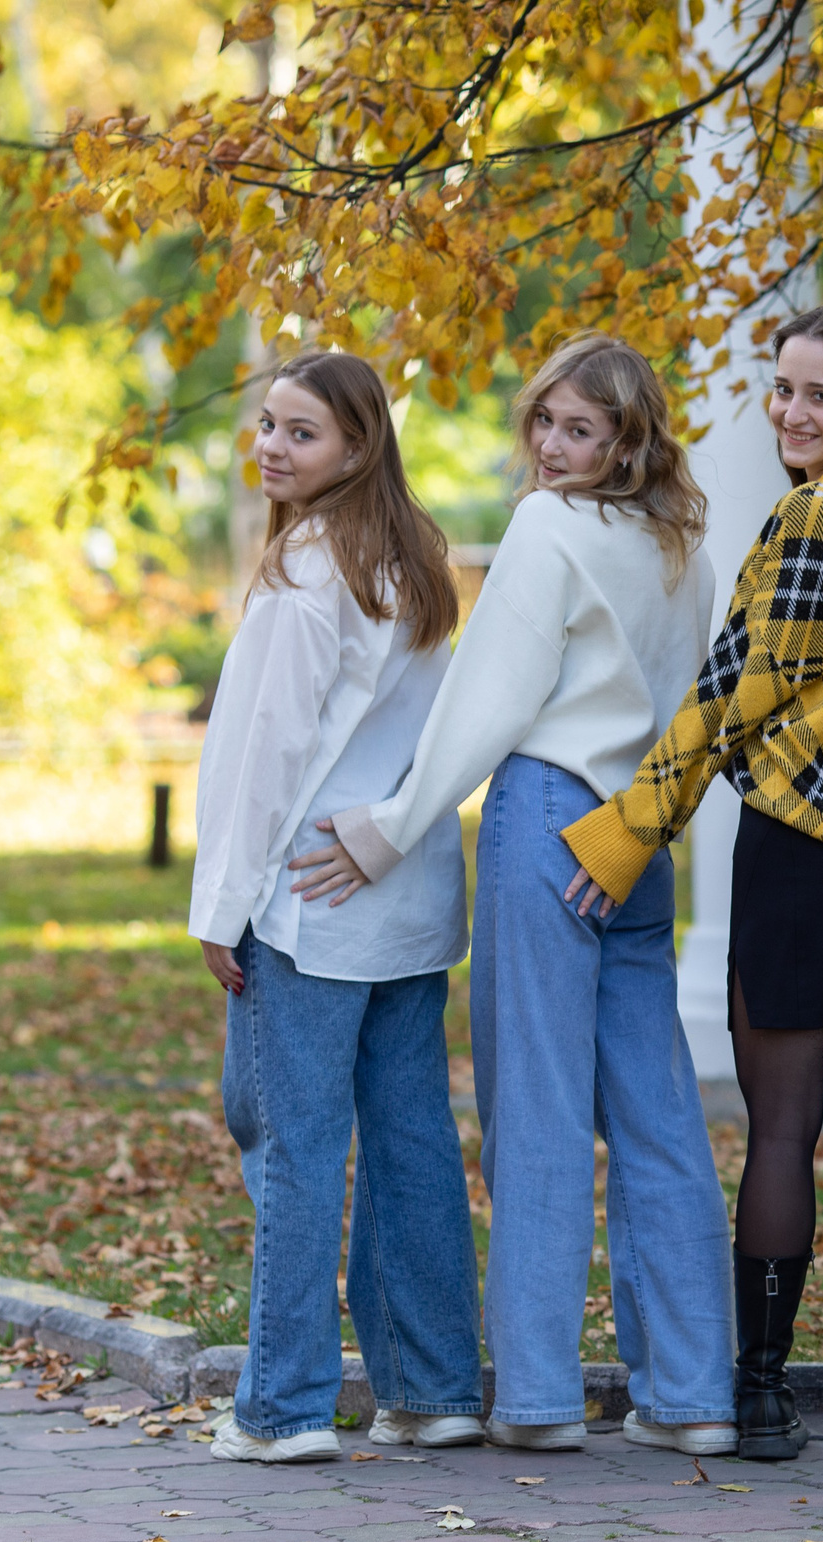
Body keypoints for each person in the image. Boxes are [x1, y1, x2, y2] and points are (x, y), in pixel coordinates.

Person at [285, 334, 733, 1455]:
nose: (550, 446)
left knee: (531, 1108)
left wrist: (390, 827)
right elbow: (693, 707)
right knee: (658, 1110)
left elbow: (490, 703)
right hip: (636, 838)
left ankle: (535, 1398)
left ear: (628, 439)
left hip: (546, 819)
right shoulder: (682, 542)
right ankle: (690, 1396)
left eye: (580, 429)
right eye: (542, 420)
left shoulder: (548, 528)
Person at [558, 303, 823, 1464]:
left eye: (819, 396)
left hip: (801, 858)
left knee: (782, 1133)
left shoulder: (813, 517)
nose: (793, 412)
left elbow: (727, 695)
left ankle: (758, 1395)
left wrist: (626, 833)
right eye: (783, 390)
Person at [188, 350, 480, 1464]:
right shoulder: (413, 565)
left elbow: (264, 757)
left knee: (294, 1145)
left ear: (358, 448)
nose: (271, 445)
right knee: (410, 1142)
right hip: (402, 902)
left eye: (301, 432)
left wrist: (222, 902)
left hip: (307, 900)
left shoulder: (306, 577)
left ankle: (285, 1407)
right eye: (267, 423)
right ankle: (434, 1387)